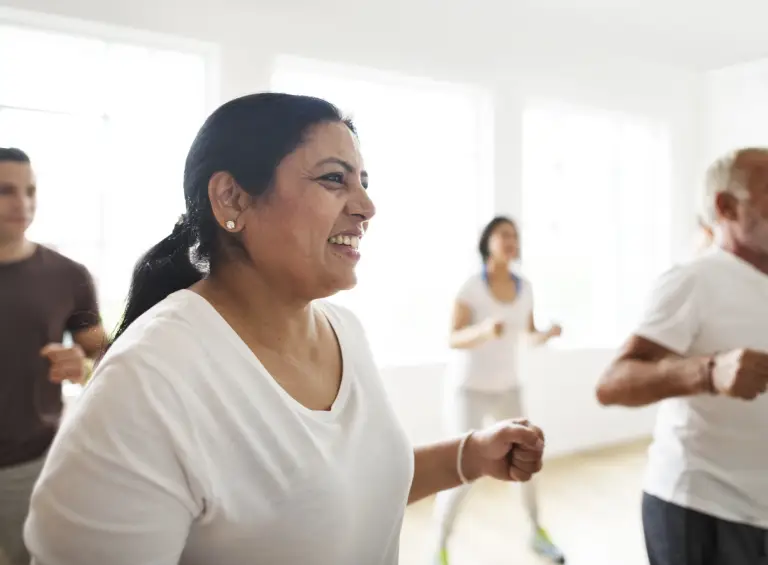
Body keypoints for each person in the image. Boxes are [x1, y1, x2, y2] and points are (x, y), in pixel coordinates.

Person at [23, 93, 547, 565]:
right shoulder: (148, 379)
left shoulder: (346, 331)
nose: (366, 207)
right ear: (231, 199)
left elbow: (339, 486)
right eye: (333, 179)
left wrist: (468, 455)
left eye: (364, 182)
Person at [596, 147, 768, 565]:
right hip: (703, 509)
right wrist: (707, 372)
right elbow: (612, 383)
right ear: (725, 206)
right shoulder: (692, 280)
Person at [432, 216, 565, 565]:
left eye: (515, 236)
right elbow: (453, 338)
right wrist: (484, 331)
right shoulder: (471, 287)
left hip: (508, 388)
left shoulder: (527, 288)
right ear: (487, 241)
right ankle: (439, 548)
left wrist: (546, 335)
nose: (511, 240)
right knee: (461, 474)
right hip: (469, 391)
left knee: (528, 461)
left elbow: (528, 334)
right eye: (504, 234)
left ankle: (537, 533)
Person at [0, 148, 105, 565]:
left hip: (30, 466)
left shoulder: (69, 276)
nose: (22, 204)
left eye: (30, 191)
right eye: (5, 191)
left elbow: (105, 355)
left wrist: (80, 363)